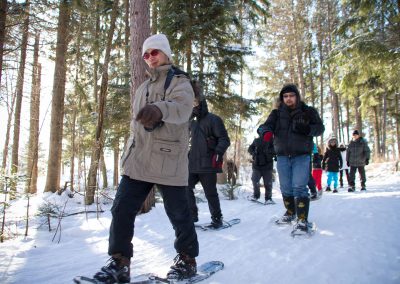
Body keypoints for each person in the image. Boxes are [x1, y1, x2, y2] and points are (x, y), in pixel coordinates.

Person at [91, 34, 199, 283]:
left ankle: (187, 260)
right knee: (121, 210)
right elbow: (136, 126)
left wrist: (159, 109)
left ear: (166, 54)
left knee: (179, 215)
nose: (150, 58)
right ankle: (120, 264)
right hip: (138, 161)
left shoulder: (180, 82)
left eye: (155, 52)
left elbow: (183, 109)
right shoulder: (142, 88)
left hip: (168, 161)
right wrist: (128, 153)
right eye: (146, 55)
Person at [258, 83, 324, 233]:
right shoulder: (276, 114)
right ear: (282, 98)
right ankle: (290, 212)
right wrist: (266, 132)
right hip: (282, 156)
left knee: (299, 187)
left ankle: (302, 220)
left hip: (301, 155)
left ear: (297, 96)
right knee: (286, 188)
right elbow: (264, 126)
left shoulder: (308, 111)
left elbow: (320, 128)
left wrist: (308, 129)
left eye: (291, 96)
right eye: (285, 96)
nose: (288, 99)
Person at [186, 81, 230, 228]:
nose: (194, 105)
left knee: (210, 193)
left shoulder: (213, 120)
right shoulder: (188, 121)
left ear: (201, 102)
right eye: (191, 102)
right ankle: (191, 216)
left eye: (196, 101)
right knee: (185, 187)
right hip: (191, 164)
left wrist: (218, 152)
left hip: (208, 163)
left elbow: (224, 139)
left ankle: (217, 219)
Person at [248, 128, 276, 204]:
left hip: (268, 165)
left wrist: (268, 152)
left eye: (263, 130)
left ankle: (268, 198)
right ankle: (256, 196)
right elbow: (250, 148)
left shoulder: (271, 140)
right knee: (255, 180)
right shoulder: (256, 140)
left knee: (268, 183)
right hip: (257, 165)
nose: (261, 131)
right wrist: (253, 152)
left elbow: (276, 149)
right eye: (260, 130)